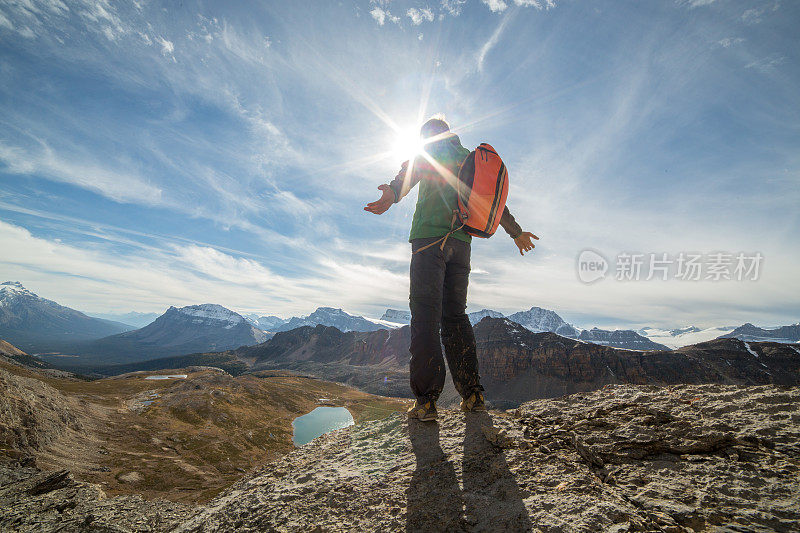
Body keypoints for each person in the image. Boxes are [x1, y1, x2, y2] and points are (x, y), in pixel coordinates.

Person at [364, 116, 538, 422]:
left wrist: (390, 194)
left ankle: (427, 402)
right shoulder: (470, 159)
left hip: (429, 242)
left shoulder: (430, 153)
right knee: (456, 318)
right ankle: (474, 396)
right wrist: (517, 232)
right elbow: (495, 205)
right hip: (461, 247)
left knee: (425, 317)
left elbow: (407, 176)